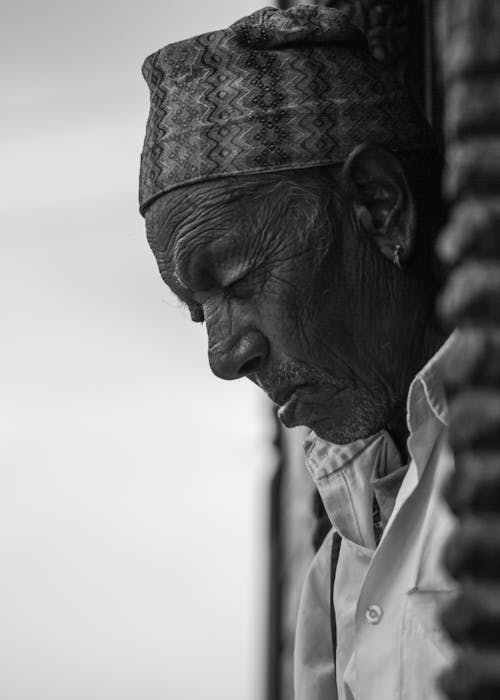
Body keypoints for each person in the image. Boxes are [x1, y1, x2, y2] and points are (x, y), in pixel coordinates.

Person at [139, 6, 455, 699]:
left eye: (235, 283)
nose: (225, 357)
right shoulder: (340, 558)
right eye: (200, 315)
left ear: (378, 205)